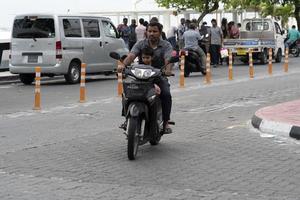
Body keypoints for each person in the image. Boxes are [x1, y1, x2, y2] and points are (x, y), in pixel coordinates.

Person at [119, 22, 174, 134]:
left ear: (160, 32)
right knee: (127, 92)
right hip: (140, 76)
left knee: (166, 94)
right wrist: (123, 65)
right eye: (149, 31)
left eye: (154, 31)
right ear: (146, 32)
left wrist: (168, 70)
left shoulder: (166, 45)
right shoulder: (140, 44)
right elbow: (131, 56)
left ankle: (166, 121)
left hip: (158, 76)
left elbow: (168, 59)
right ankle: (127, 118)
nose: (151, 33)